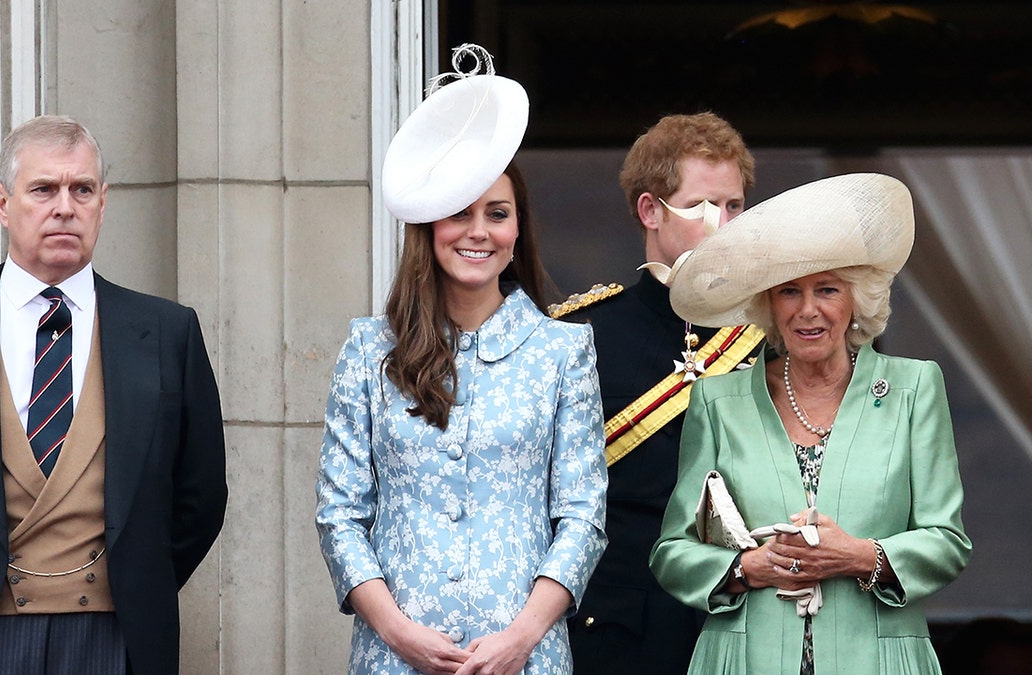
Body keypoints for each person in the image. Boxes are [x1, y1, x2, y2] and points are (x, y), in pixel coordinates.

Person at [0, 115, 228, 675]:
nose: (64, 206)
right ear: (4, 203)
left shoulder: (167, 333)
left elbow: (200, 497)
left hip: (118, 637)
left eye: (81, 189)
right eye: (43, 189)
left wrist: (132, 582)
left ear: (103, 202)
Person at [316, 44, 608, 675]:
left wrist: (521, 637)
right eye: (459, 212)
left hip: (524, 657)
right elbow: (340, 514)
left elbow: (583, 516)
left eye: (497, 215)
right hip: (396, 658)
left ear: (517, 231)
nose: (478, 231)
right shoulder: (369, 351)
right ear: (427, 226)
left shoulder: (563, 351)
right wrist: (399, 633)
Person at [650, 172, 972, 674]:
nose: (808, 311)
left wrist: (860, 555)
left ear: (856, 300)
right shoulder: (717, 400)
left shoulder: (914, 389)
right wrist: (744, 568)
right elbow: (673, 551)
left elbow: (947, 542)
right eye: (788, 293)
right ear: (768, 306)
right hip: (746, 659)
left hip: (879, 659)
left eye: (827, 289)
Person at [557, 112, 762, 674]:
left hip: (743, 615)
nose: (720, 224)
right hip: (621, 624)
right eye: (699, 206)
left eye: (733, 206)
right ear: (650, 210)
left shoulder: (773, 337)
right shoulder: (580, 337)